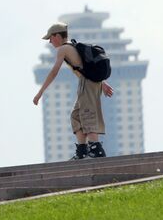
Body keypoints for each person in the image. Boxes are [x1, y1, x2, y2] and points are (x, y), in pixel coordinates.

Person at [33, 22, 114, 159]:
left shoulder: (63, 49)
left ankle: (96, 148)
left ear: (57, 36)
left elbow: (54, 72)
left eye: (50, 38)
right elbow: (83, 70)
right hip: (88, 82)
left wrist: (40, 92)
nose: (50, 42)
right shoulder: (71, 47)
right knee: (76, 116)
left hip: (87, 84)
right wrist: (102, 84)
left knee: (87, 114)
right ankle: (82, 151)